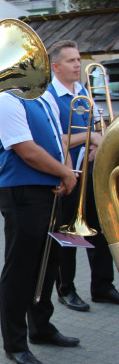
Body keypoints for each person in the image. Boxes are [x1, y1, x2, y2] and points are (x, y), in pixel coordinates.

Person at [0, 90, 80, 364]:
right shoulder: (4, 100)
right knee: (21, 267)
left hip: (52, 188)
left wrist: (67, 171)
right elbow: (26, 150)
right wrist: (65, 173)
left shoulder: (42, 99)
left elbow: (58, 140)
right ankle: (15, 343)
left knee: (48, 262)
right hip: (23, 191)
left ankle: (41, 326)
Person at [44, 40, 119, 311]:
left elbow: (98, 127)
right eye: (71, 61)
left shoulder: (83, 91)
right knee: (68, 234)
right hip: (68, 174)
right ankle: (66, 289)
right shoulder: (49, 96)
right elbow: (56, 138)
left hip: (92, 172)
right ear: (56, 66)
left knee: (100, 229)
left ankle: (103, 285)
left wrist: (99, 143)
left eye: (78, 59)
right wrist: (91, 137)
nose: (77, 65)